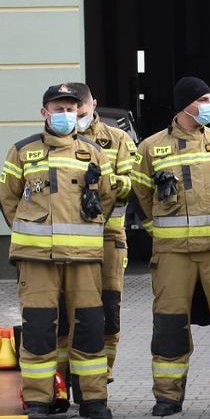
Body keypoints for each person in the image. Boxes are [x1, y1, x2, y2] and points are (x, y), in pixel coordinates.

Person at [132, 77, 210, 416]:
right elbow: (140, 196)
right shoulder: (151, 147)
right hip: (173, 254)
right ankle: (168, 396)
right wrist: (156, 232)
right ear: (184, 104)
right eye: (202, 99)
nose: (208, 105)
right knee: (170, 324)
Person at [0, 84, 118, 419]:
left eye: (70, 109)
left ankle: (93, 397)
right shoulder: (22, 151)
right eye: (58, 109)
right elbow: (8, 198)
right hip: (37, 260)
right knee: (38, 328)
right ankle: (39, 398)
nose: (65, 115)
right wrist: (29, 232)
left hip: (83, 257)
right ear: (44, 113)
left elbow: (106, 198)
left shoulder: (94, 153)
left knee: (89, 326)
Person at [65, 82, 137, 398]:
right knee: (68, 312)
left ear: (94, 104)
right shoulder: (50, 141)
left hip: (108, 237)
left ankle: (102, 375)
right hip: (66, 239)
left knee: (108, 310)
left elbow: (134, 183)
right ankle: (67, 380)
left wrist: (103, 183)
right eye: (70, 112)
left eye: (81, 112)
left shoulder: (117, 139)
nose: (75, 118)